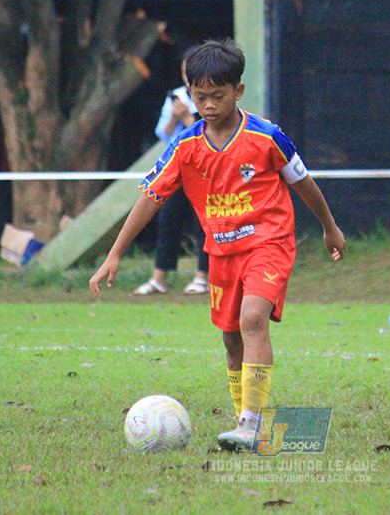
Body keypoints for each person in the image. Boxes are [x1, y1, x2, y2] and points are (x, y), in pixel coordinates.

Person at [89, 38, 346, 450]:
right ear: (188, 93)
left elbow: (304, 183)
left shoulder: (267, 136)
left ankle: (252, 422)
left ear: (238, 92)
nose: (208, 105)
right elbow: (149, 198)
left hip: (269, 242)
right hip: (221, 252)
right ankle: (242, 417)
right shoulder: (185, 145)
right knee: (230, 339)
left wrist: (329, 227)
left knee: (252, 320)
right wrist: (114, 253)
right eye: (199, 96)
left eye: (218, 96)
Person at [133, 59, 210, 296]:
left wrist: (188, 116)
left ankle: (203, 277)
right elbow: (164, 134)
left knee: (204, 225)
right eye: (185, 72)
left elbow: (208, 136)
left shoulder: (211, 97)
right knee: (167, 221)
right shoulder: (175, 97)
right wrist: (176, 117)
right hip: (178, 170)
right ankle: (159, 278)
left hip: (203, 171)